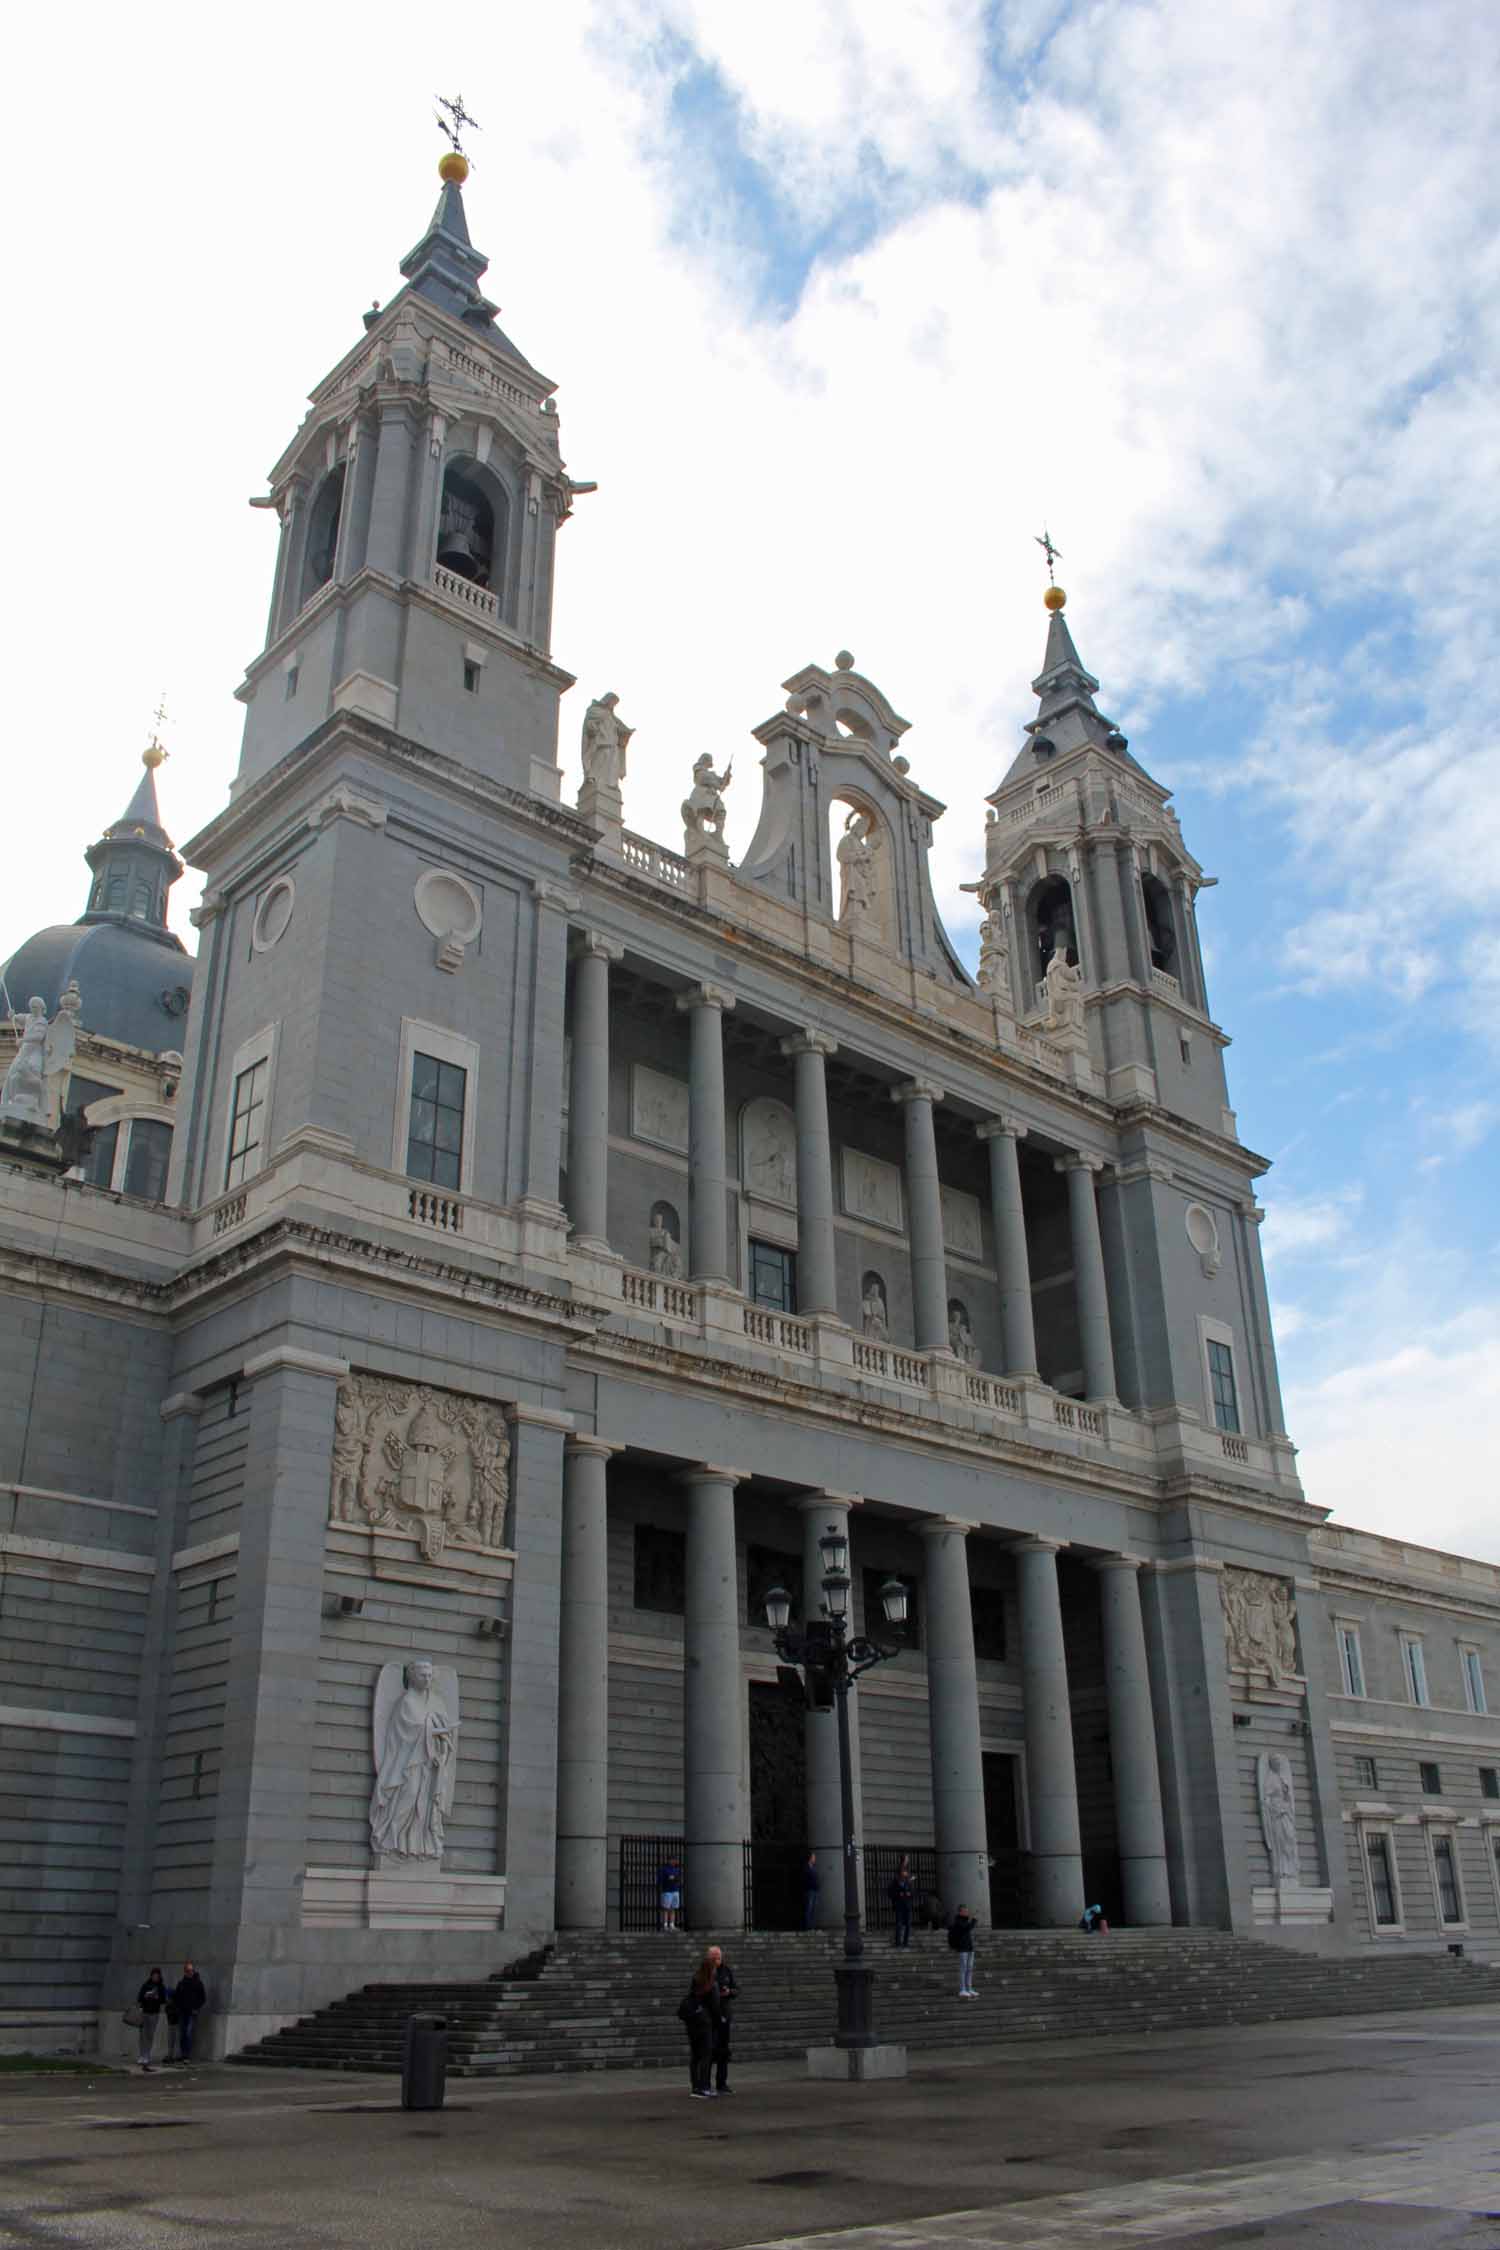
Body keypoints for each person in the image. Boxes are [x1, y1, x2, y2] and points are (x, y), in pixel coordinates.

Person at [678, 1953, 721, 2097]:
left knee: (695, 2055)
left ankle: (696, 2087)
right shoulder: (712, 1984)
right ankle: (704, 2086)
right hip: (705, 2022)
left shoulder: (696, 1979)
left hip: (692, 2022)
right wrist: (718, 2020)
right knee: (706, 2055)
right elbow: (715, 2006)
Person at [707, 1943, 738, 2095]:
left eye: (719, 1957)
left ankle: (722, 2083)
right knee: (709, 2050)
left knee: (723, 2051)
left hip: (725, 2015)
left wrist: (729, 1992)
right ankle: (704, 2084)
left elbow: (736, 1989)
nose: (717, 1960)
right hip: (710, 2016)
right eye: (714, 1957)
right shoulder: (705, 1972)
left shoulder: (726, 1970)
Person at [170, 1961, 207, 2062]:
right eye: (187, 1971)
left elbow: (203, 1998)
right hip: (182, 2012)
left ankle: (187, 2055)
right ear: (185, 1972)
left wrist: (196, 2008)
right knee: (182, 2033)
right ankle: (183, 2054)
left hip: (192, 2012)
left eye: (191, 1970)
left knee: (188, 2033)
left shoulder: (198, 1983)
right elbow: (176, 1997)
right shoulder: (181, 1983)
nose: (189, 1972)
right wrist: (177, 2007)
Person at [135, 1967, 169, 2070]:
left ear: (159, 1977)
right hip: (144, 2012)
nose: (155, 1977)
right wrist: (146, 1996)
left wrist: (157, 1997)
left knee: (150, 2035)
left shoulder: (161, 1986)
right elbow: (139, 1998)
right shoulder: (146, 1985)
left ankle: (146, 2055)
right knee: (142, 2035)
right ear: (151, 1976)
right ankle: (141, 2055)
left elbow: (163, 2000)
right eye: (154, 1975)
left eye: (157, 1976)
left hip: (154, 2013)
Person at [949, 1903, 978, 1997]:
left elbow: (968, 1928)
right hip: (962, 1948)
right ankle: (962, 1989)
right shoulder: (958, 1921)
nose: (967, 1912)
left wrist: (972, 1920)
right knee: (963, 1969)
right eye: (965, 1911)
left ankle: (969, 1988)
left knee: (970, 1968)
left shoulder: (965, 1920)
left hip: (969, 1947)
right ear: (960, 1912)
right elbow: (967, 1928)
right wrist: (973, 1919)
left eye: (967, 1910)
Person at [889, 1856, 914, 1947]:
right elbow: (892, 1892)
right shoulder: (896, 1881)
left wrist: (909, 1894)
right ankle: (898, 1942)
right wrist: (900, 1894)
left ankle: (905, 1942)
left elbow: (912, 1892)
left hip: (907, 1903)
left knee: (907, 1924)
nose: (906, 1873)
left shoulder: (908, 1881)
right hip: (899, 1903)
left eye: (906, 1872)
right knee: (899, 1923)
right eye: (904, 1872)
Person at [658, 1855, 682, 1933]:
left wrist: (674, 1879)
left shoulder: (677, 1869)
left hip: (675, 1890)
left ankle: (672, 1925)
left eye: (675, 1860)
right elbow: (661, 1879)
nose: (674, 1862)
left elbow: (678, 1879)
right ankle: (665, 1925)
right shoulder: (664, 1869)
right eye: (673, 1860)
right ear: (669, 1860)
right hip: (667, 1891)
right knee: (666, 1908)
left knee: (673, 1908)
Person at [802, 1850, 820, 1931]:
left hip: (814, 1890)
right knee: (809, 1909)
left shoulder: (813, 1868)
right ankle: (808, 1927)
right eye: (813, 1857)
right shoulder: (806, 1868)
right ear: (810, 1858)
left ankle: (812, 1926)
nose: (814, 1858)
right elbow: (806, 1880)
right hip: (810, 1891)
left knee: (814, 1910)